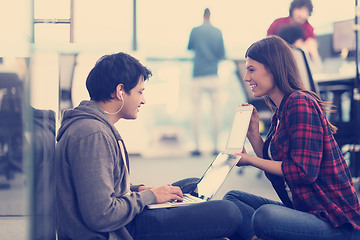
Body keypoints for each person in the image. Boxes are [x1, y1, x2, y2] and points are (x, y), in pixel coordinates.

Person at [55, 52, 242, 240]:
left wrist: (138, 190)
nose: (143, 100)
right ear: (120, 91)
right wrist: (150, 197)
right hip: (117, 230)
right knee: (228, 212)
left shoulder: (93, 127)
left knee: (191, 185)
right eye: (140, 91)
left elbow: (100, 187)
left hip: (120, 221)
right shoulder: (93, 134)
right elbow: (101, 215)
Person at [223, 36, 360, 240]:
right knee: (232, 201)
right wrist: (253, 136)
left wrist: (251, 160)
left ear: (273, 67)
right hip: (303, 210)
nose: (246, 77)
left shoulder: (300, 103)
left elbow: (303, 172)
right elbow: (278, 170)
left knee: (264, 217)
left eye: (251, 69)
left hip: (334, 223)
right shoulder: (281, 110)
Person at [188, 8, 225, 156]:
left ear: (203, 15)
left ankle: (197, 147)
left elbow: (190, 47)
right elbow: (221, 54)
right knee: (215, 112)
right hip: (213, 75)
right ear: (211, 15)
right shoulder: (217, 32)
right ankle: (216, 146)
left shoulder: (195, 30)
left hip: (197, 75)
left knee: (196, 111)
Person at [267, 0, 322, 72]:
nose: (302, 14)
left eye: (306, 11)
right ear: (293, 10)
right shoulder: (278, 23)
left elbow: (312, 53)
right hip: (278, 62)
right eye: (300, 9)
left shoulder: (309, 29)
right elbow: (267, 45)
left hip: (301, 64)